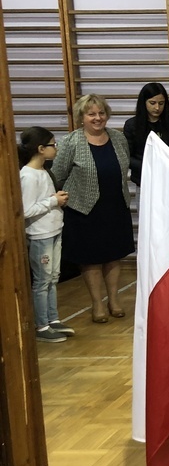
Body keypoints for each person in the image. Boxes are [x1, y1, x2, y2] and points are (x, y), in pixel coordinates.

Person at [51, 93, 134, 324]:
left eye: (101, 113)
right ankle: (97, 303)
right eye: (91, 114)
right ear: (82, 117)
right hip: (84, 210)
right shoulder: (71, 142)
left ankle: (114, 300)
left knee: (114, 256)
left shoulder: (118, 138)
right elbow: (58, 175)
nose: (98, 118)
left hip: (115, 205)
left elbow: (124, 166)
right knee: (91, 259)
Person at [19, 127, 73, 342]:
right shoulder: (28, 176)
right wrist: (53, 201)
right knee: (42, 281)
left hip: (53, 230)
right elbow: (26, 210)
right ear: (41, 148)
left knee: (53, 277)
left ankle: (52, 319)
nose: (56, 148)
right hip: (40, 234)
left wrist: (56, 199)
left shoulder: (43, 171)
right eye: (53, 144)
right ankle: (41, 325)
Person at [122, 82, 169, 186]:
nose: (157, 108)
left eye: (161, 103)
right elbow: (127, 156)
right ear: (144, 102)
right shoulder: (132, 125)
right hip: (144, 180)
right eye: (152, 103)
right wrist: (149, 166)